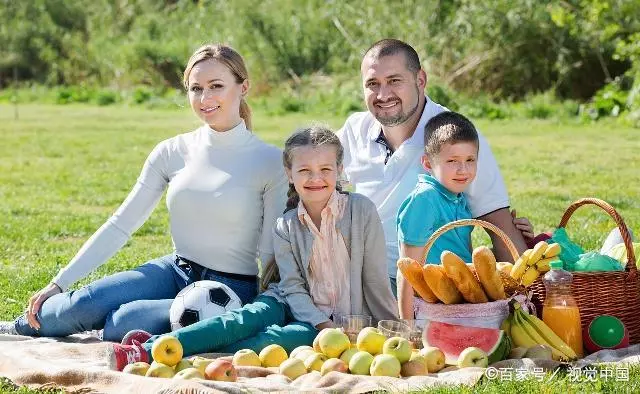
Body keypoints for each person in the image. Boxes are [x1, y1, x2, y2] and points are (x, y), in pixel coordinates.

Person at [0, 44, 288, 341]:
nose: (205, 98)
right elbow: (121, 223)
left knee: (123, 322)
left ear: (244, 87)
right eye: (195, 88)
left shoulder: (270, 162)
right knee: (81, 305)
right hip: (175, 269)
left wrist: (261, 311)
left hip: (230, 289)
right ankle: (17, 328)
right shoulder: (171, 151)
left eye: (216, 86)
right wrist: (59, 283)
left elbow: (270, 252)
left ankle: (110, 328)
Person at [106, 125, 399, 371]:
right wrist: (322, 322)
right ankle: (144, 349)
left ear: (339, 169)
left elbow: (373, 277)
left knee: (264, 343)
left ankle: (172, 345)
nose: (316, 178)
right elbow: (293, 287)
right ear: (289, 172)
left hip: (330, 325)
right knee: (239, 321)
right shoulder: (285, 225)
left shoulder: (361, 211)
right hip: (289, 302)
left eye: (325, 169)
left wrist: (393, 326)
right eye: (305, 170)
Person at [337, 39, 531, 295]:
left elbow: (497, 221)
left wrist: (525, 299)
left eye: (395, 80)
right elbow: (309, 177)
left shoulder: (454, 137)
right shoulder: (355, 130)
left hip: (429, 287)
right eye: (373, 84)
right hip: (356, 276)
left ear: (420, 80)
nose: (383, 95)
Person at [396, 111, 533, 318]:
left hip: (462, 297)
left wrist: (519, 235)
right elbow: (406, 273)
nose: (463, 170)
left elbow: (463, 254)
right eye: (452, 161)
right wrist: (407, 327)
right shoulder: (425, 200)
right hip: (434, 305)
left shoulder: (457, 196)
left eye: (470, 160)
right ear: (427, 164)